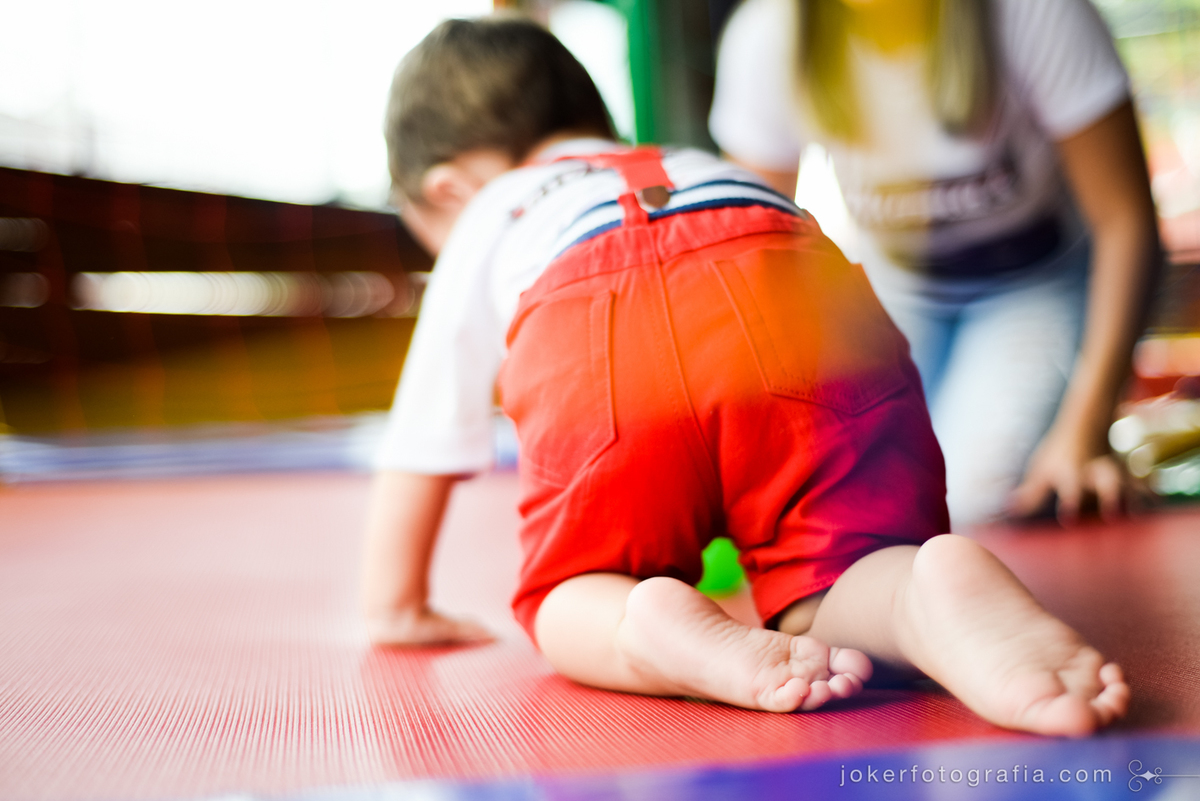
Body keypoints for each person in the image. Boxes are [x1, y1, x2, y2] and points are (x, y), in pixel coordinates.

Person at [362, 15, 1129, 734]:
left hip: (589, 309)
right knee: (832, 575)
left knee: (570, 597)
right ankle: (916, 591)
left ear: (446, 190)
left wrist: (397, 605)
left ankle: (647, 624)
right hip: (787, 272)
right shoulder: (694, 161)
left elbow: (418, 444)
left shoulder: (491, 214)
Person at [709, 0, 1161, 528]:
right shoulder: (770, 35)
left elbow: (1125, 221)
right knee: (856, 496)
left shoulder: (1034, 13)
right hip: (895, 291)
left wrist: (1086, 427)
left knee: (972, 501)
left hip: (1034, 284)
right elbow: (754, 257)